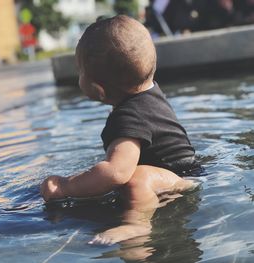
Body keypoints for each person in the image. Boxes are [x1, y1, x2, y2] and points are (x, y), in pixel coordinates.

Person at [41, 15, 202, 243]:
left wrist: (66, 186)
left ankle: (137, 224)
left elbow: (116, 172)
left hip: (178, 179)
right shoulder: (151, 93)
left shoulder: (127, 116)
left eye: (80, 70)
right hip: (186, 172)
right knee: (132, 176)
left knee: (136, 178)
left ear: (99, 89)